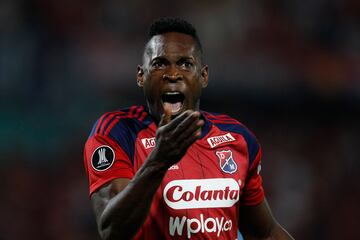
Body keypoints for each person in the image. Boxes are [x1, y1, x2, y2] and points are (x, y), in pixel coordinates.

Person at [83, 17, 294, 240]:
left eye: (185, 64)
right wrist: (158, 162)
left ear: (203, 76)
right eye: (159, 63)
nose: (173, 74)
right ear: (140, 76)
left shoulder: (237, 138)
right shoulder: (117, 132)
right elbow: (112, 230)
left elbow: (266, 232)